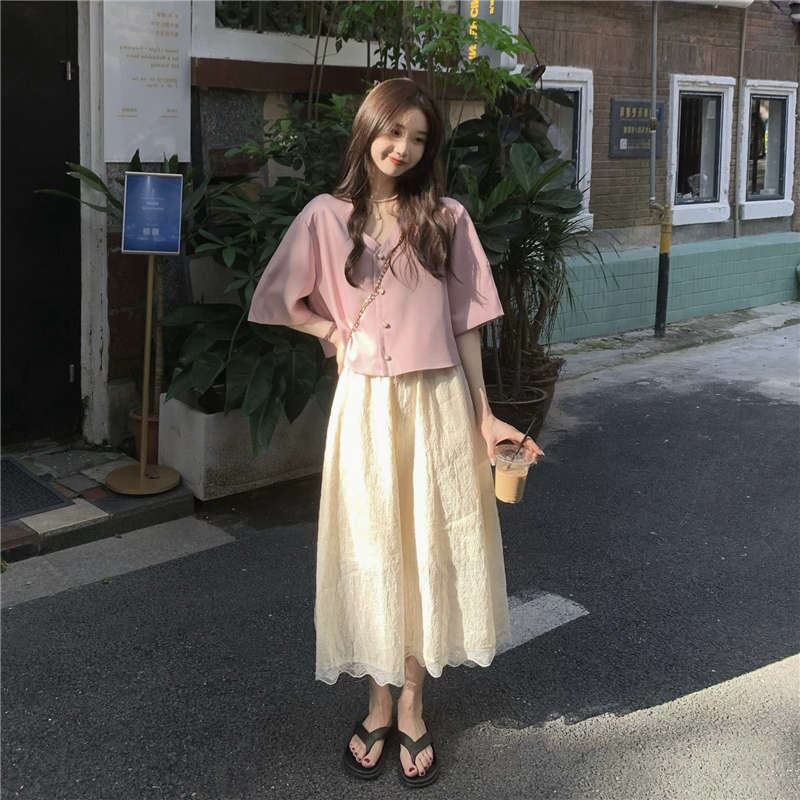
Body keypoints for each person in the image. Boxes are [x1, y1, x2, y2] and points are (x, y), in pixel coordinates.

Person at [248, 77, 543, 787]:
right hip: (366, 408)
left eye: (417, 138)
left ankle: (411, 702)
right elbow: (278, 297)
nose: (402, 148)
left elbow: (467, 325)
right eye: (392, 132)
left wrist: (483, 414)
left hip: (437, 401)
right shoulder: (326, 217)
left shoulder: (447, 218)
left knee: (425, 550)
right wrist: (331, 332)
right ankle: (377, 699)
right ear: (367, 130)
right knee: (372, 547)